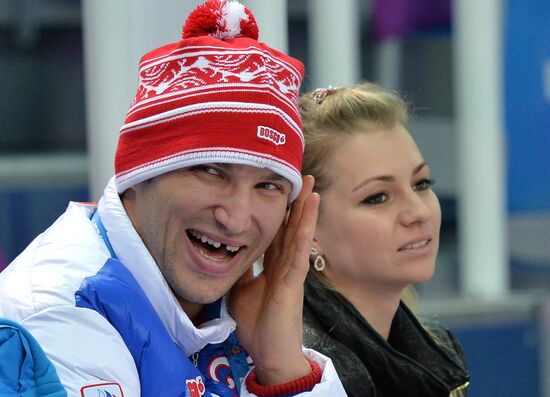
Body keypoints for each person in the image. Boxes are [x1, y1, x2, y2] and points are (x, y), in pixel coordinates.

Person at [0, 1, 347, 396]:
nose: (235, 218)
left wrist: (282, 368)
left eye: (268, 186)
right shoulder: (59, 312)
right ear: (140, 175)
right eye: (210, 172)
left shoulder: (246, 308)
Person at [299, 82, 470, 396]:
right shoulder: (303, 374)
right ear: (308, 230)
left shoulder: (436, 347)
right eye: (377, 197)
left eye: (421, 183)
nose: (418, 212)